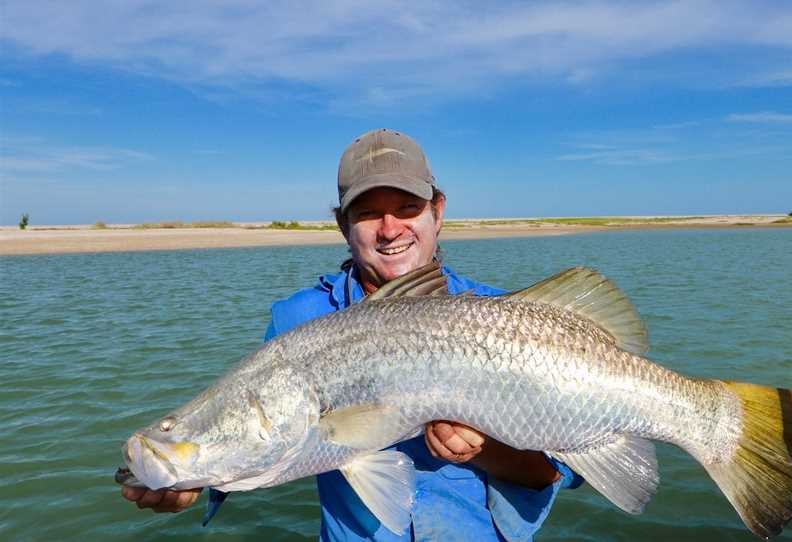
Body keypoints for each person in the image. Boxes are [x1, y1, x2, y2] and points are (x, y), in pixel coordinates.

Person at [122, 128, 583, 540]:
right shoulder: (297, 319)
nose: (390, 230)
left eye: (408, 207)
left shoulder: (512, 320)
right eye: (366, 213)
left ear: (437, 212)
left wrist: (487, 451)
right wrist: (196, 478)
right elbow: (270, 429)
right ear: (343, 224)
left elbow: (553, 473)